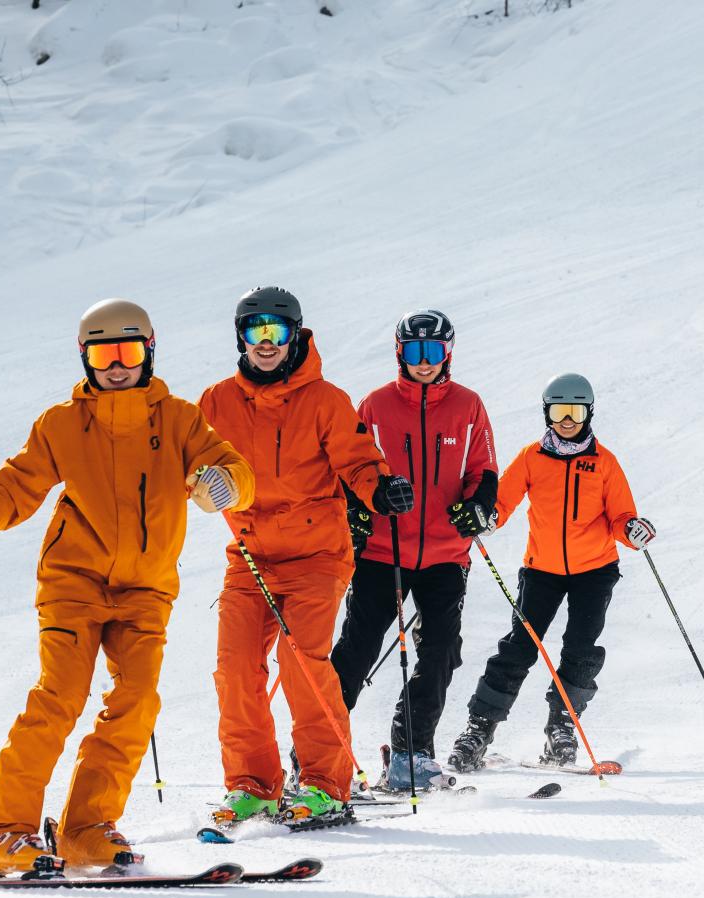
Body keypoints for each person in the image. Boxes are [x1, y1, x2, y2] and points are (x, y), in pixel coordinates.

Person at [0, 298, 254, 873]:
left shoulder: (180, 419)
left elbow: (227, 465)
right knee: (59, 697)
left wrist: (223, 486)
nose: (116, 365)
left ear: (149, 351)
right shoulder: (62, 423)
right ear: (84, 357)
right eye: (103, 353)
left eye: (128, 351)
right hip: (73, 582)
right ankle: (2, 831)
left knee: (136, 703)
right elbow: (19, 483)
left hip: (146, 589)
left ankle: (86, 827)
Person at [198, 286, 414, 825]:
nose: (265, 343)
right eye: (255, 331)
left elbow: (359, 460)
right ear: (240, 338)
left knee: (301, 665)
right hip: (250, 556)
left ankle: (325, 784)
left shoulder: (326, 400)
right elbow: (192, 464)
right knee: (235, 669)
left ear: (295, 335)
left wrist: (379, 488)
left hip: (316, 555)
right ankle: (253, 785)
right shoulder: (217, 401)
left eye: (276, 331)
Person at [446, 372, 656, 771]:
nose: (567, 421)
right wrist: (487, 519)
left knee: (581, 649)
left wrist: (632, 531)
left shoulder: (604, 463)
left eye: (575, 412)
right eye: (559, 412)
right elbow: (502, 502)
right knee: (519, 648)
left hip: (594, 571)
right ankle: (479, 728)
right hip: (541, 570)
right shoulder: (531, 457)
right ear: (547, 413)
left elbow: (621, 516)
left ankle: (562, 724)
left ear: (588, 413)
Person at [329, 309, 497, 791]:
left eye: (435, 352)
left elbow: (482, 467)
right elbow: (351, 466)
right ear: (400, 352)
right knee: (357, 652)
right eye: (415, 352)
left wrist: (478, 506)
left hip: (445, 554)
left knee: (441, 652)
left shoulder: (468, 405)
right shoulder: (377, 405)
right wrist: (357, 510)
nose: (425, 362)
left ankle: (411, 752)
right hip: (383, 552)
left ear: (448, 352)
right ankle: (320, 756)